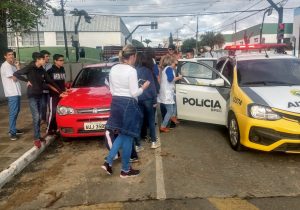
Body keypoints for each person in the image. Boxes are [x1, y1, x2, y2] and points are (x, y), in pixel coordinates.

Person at [101, 44, 150, 178]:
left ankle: (115, 164)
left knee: (124, 135)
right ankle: (121, 167)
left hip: (116, 103)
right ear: (133, 56)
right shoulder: (131, 70)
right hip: (128, 104)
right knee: (127, 136)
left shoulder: (114, 68)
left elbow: (111, 90)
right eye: (135, 57)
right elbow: (134, 93)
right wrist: (144, 87)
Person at [13, 52, 65, 148]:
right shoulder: (30, 68)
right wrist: (26, 81)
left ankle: (38, 136)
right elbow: (16, 73)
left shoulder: (41, 69)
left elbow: (50, 80)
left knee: (41, 115)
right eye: (43, 59)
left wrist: (60, 91)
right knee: (36, 116)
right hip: (32, 95)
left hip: (40, 95)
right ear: (38, 60)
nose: (45, 61)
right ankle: (36, 138)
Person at [136, 51, 160, 149]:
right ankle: (153, 142)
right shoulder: (148, 71)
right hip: (149, 98)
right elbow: (152, 86)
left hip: (138, 98)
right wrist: (155, 100)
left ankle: (137, 145)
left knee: (139, 121)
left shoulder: (135, 70)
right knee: (151, 120)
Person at [0, 49, 23, 141]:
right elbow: (14, 78)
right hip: (11, 93)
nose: (11, 56)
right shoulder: (5, 66)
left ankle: (13, 128)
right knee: (13, 112)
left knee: (17, 111)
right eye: (9, 55)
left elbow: (18, 76)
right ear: (5, 56)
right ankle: (12, 132)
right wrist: (18, 68)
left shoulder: (12, 66)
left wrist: (17, 67)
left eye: (12, 54)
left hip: (17, 92)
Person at [158, 54, 182, 133]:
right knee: (170, 110)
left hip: (167, 92)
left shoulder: (166, 68)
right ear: (171, 62)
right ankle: (163, 126)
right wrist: (179, 77)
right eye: (175, 63)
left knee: (174, 102)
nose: (176, 65)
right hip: (167, 93)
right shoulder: (169, 69)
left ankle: (173, 117)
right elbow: (170, 79)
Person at [46, 54, 66, 136]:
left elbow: (62, 82)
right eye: (60, 60)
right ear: (55, 61)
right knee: (53, 112)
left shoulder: (62, 69)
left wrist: (64, 90)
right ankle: (49, 129)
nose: (62, 62)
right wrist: (59, 92)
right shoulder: (50, 71)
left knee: (60, 112)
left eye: (63, 60)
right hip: (54, 95)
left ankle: (57, 128)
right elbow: (49, 84)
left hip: (63, 94)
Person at [40, 50, 52, 125]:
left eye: (48, 56)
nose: (48, 58)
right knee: (43, 105)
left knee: (50, 105)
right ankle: (43, 119)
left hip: (50, 89)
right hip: (41, 90)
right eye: (46, 56)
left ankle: (50, 119)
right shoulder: (39, 66)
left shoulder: (51, 66)